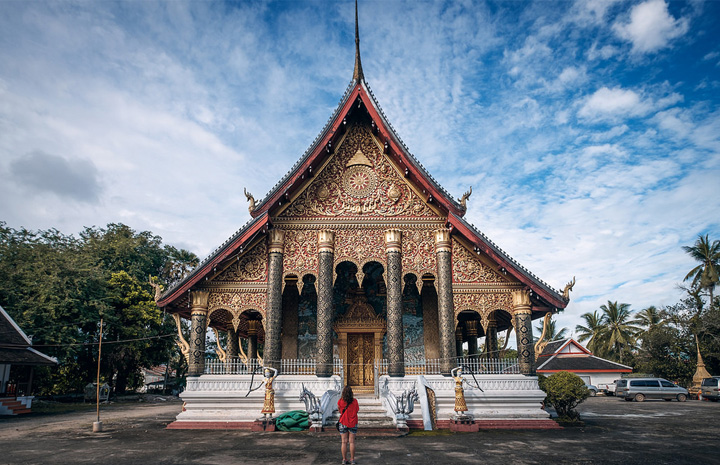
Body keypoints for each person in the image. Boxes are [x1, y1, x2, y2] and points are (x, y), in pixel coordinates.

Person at [338, 385, 359, 465]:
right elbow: (357, 410)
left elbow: (340, 410)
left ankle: (344, 459)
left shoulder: (340, 401)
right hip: (353, 422)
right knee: (352, 442)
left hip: (343, 422)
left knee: (343, 442)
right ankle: (352, 459)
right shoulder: (355, 401)